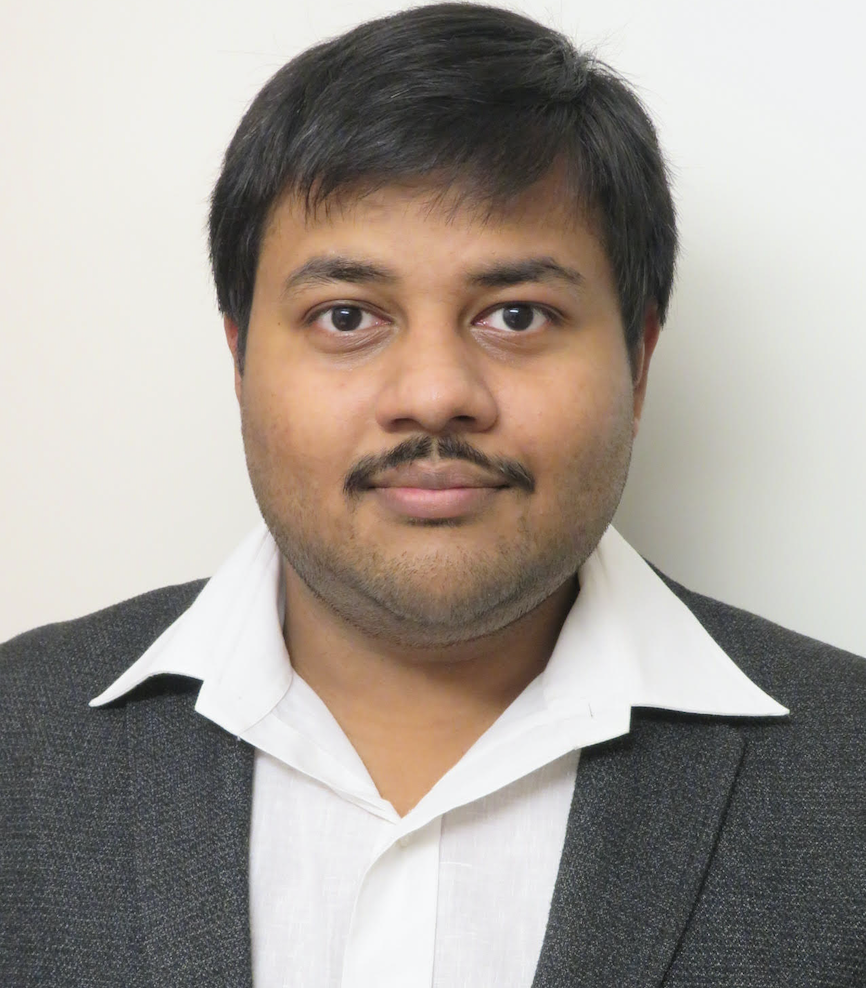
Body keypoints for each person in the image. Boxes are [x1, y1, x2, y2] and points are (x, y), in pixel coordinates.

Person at [2, 3, 864, 986]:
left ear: (638, 357)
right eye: (346, 317)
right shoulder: (18, 738)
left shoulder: (846, 777)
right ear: (238, 358)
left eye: (515, 315)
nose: (434, 393)